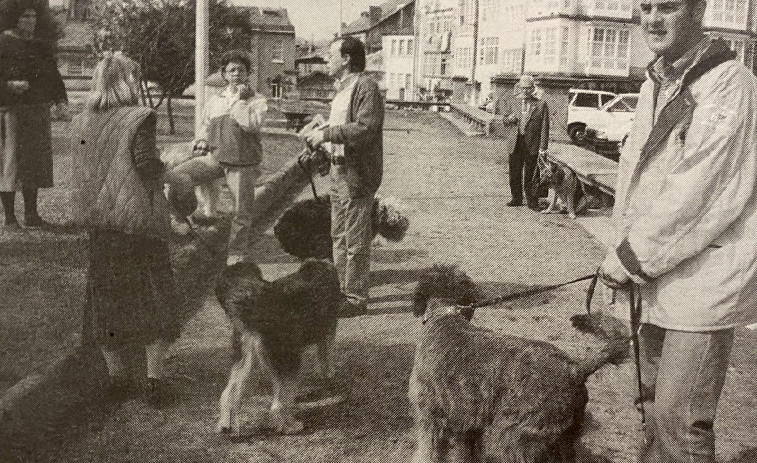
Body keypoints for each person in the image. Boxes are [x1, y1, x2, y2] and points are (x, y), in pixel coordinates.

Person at [597, 0, 757, 460]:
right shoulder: (657, 82)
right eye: (644, 6)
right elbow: (638, 180)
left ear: (699, 10)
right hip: (656, 276)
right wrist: (623, 249)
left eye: (667, 6)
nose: (652, 19)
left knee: (679, 420)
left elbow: (700, 191)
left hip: (704, 283)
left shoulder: (730, 85)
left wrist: (629, 258)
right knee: (651, 412)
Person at [71, 52, 185, 407]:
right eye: (136, 78)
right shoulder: (140, 117)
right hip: (137, 223)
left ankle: (117, 378)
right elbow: (147, 165)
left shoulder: (81, 121)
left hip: (100, 222)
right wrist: (178, 178)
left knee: (105, 298)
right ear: (124, 81)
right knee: (152, 296)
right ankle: (154, 381)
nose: (140, 84)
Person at [305, 36, 384, 317]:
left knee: (356, 240)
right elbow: (343, 126)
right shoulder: (342, 89)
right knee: (338, 237)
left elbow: (365, 129)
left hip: (356, 175)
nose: (327, 60)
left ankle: (356, 298)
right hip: (338, 170)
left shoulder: (366, 87)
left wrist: (326, 133)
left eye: (331, 55)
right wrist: (322, 131)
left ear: (347, 58)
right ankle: (340, 292)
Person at [174, 50, 268, 265]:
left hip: (242, 162)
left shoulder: (257, 100)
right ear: (224, 74)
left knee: (240, 212)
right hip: (216, 158)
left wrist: (241, 100)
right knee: (178, 177)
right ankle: (183, 225)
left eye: (241, 70)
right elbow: (205, 127)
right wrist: (199, 142)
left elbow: (250, 125)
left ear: (248, 74)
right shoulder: (215, 100)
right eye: (231, 70)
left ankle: (235, 254)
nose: (236, 74)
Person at [0, 0, 67, 229]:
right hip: (11, 111)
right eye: (25, 16)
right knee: (10, 164)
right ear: (13, 18)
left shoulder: (41, 45)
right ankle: (10, 218)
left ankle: (32, 215)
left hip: (37, 111)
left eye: (33, 16)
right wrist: (8, 85)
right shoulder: (2, 42)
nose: (31, 20)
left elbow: (54, 76)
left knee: (34, 163)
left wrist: (61, 101)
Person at [501, 75, 549, 210]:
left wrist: (543, 147)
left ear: (533, 88)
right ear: (519, 88)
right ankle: (516, 198)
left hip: (532, 143)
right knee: (514, 172)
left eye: (528, 88)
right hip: (515, 142)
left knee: (531, 174)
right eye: (523, 88)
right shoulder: (513, 101)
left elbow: (545, 127)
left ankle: (532, 201)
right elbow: (504, 120)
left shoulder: (540, 104)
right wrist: (508, 119)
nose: (525, 91)